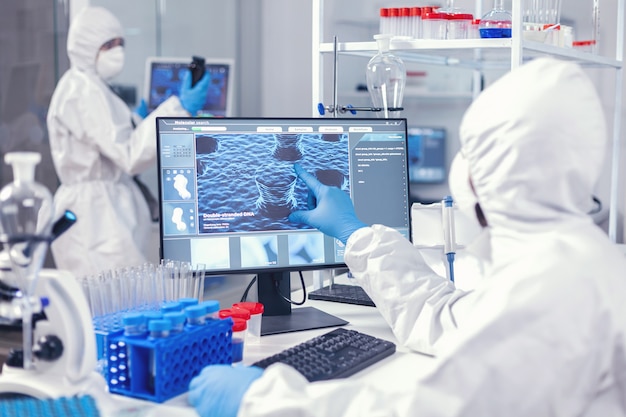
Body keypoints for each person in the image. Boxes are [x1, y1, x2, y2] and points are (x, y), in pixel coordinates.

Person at [187, 57, 626, 416]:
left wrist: (258, 401)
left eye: (470, 152)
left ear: (492, 172)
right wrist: (356, 234)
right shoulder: (580, 262)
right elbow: (445, 317)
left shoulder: (550, 290)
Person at [46, 6, 209, 279]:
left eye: (121, 43)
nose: (117, 51)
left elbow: (107, 140)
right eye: (108, 45)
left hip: (105, 212)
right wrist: (178, 108)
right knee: (116, 305)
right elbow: (128, 155)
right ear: (87, 47)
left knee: (129, 300)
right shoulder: (81, 90)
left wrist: (137, 120)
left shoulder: (91, 86)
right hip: (95, 220)